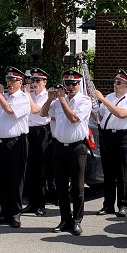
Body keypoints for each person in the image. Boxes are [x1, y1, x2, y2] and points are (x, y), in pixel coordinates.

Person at [41, 70, 92, 235]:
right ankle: (65, 219)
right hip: (59, 147)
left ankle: (77, 220)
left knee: (77, 187)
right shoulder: (57, 102)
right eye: (67, 84)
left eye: (73, 84)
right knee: (61, 187)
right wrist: (50, 98)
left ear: (79, 85)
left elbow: (74, 118)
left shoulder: (84, 101)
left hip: (77, 148)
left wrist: (62, 99)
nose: (70, 87)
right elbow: (43, 113)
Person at [0, 66, 30, 228]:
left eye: (13, 80)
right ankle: (4, 212)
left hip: (15, 143)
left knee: (15, 179)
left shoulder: (23, 98)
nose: (9, 83)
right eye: (8, 80)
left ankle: (16, 213)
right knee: (1, 179)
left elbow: (10, 111)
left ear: (20, 82)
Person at [95, 70, 127, 218]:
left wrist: (103, 100)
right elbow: (100, 115)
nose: (115, 85)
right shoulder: (109, 97)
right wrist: (93, 107)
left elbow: (120, 114)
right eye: (115, 82)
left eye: (119, 83)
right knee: (108, 172)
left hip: (122, 137)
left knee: (121, 172)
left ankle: (122, 205)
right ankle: (108, 205)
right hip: (107, 136)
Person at [21, 68, 52, 216]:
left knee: (40, 169)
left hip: (41, 131)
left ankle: (41, 204)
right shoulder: (29, 95)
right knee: (30, 169)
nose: (34, 83)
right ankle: (31, 202)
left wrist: (26, 94)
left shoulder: (48, 96)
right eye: (32, 80)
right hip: (29, 132)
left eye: (37, 80)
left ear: (44, 82)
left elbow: (36, 110)